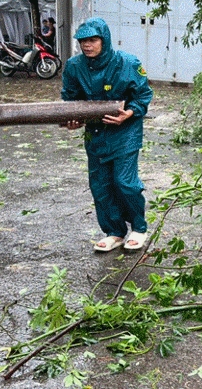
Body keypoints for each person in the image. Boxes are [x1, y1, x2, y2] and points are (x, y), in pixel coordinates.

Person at [61, 17, 154, 252]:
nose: (87, 45)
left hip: (125, 131)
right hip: (96, 133)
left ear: (105, 40)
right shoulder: (74, 67)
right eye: (83, 41)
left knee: (125, 182)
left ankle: (139, 228)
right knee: (100, 185)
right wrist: (72, 120)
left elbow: (143, 96)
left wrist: (129, 113)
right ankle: (114, 231)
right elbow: (70, 100)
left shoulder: (128, 63)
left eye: (93, 40)